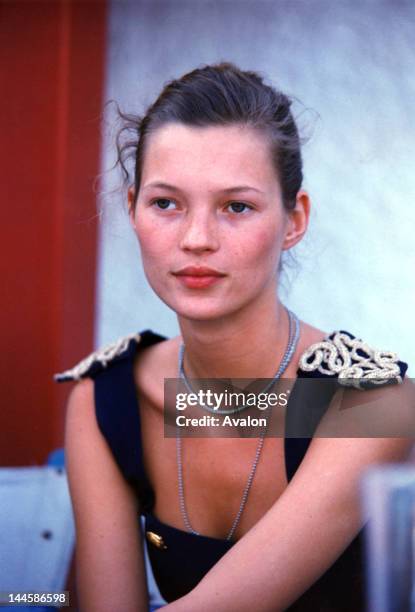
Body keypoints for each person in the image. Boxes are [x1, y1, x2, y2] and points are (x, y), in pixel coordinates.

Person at [55, 62, 413, 611]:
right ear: (131, 209)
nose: (197, 239)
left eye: (237, 206)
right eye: (165, 203)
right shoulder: (106, 399)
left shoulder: (372, 403)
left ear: (295, 220)